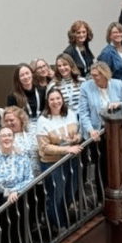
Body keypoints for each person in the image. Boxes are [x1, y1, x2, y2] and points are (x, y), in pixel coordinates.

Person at [36, 88, 83, 230]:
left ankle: (62, 217)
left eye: (58, 98)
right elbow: (44, 147)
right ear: (47, 102)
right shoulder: (43, 120)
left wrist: (77, 138)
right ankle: (58, 224)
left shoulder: (70, 114)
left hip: (71, 159)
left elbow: (79, 133)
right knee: (57, 196)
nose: (56, 102)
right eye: (52, 99)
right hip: (53, 163)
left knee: (71, 191)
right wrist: (67, 149)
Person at [78, 61, 122, 143]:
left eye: (95, 75)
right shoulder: (85, 87)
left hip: (115, 128)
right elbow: (83, 112)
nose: (92, 78)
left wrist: (119, 104)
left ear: (105, 75)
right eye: (92, 75)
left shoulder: (118, 84)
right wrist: (91, 130)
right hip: (96, 130)